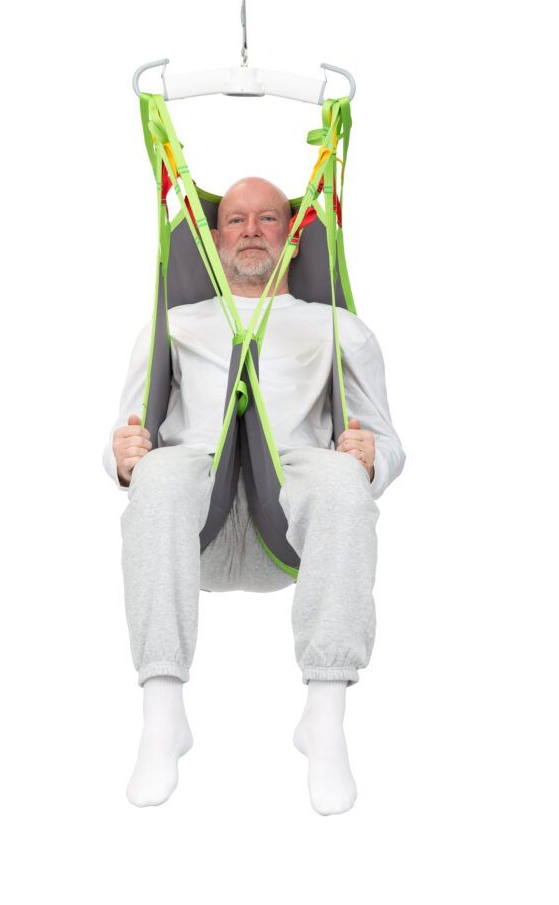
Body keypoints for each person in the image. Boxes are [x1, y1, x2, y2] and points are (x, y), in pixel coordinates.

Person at [102, 176, 406, 815]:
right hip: (194, 526)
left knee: (340, 480)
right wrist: (122, 459)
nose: (250, 230)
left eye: (268, 218)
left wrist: (370, 459)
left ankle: (324, 715)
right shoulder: (172, 327)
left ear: (292, 237)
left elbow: (387, 442)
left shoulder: (339, 329)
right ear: (215, 238)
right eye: (236, 219)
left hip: (292, 527)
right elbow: (125, 436)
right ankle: (163, 712)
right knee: (159, 474)